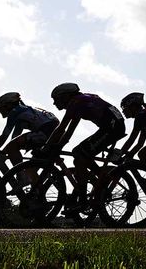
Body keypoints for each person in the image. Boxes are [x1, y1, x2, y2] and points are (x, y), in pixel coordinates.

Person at [40, 82, 126, 212]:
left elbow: (64, 129)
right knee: (81, 153)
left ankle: (83, 199)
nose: (54, 103)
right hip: (111, 126)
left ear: (66, 96)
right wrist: (56, 145)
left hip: (112, 128)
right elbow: (68, 128)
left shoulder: (76, 102)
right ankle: (102, 179)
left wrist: (48, 147)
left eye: (56, 99)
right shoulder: (80, 100)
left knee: (79, 155)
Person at [0, 92, 59, 176]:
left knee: (12, 148)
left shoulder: (14, 112)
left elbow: (4, 137)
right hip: (53, 132)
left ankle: (20, 175)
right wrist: (2, 153)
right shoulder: (23, 112)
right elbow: (14, 139)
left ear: (8, 105)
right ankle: (35, 187)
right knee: (30, 171)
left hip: (46, 131)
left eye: (0, 108)